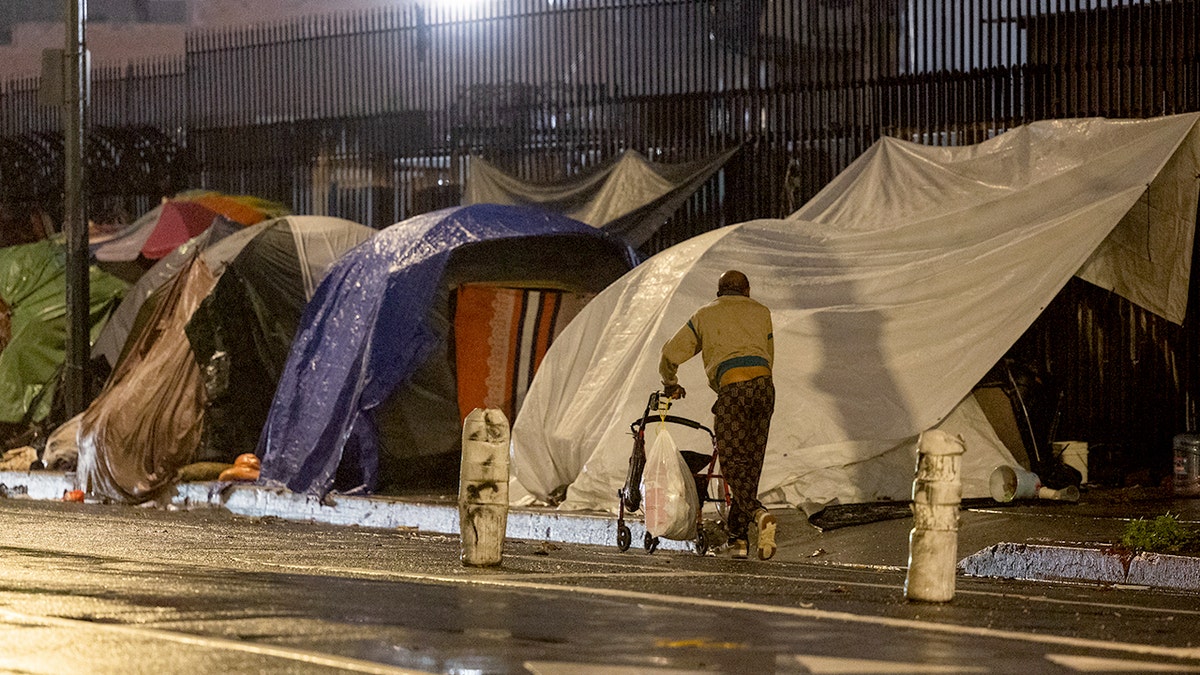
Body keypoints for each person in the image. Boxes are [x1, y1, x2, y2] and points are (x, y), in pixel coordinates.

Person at [659, 270, 776, 560]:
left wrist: (671, 384)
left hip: (732, 389)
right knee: (751, 465)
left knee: (732, 461)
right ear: (747, 290)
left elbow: (670, 353)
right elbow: (769, 355)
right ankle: (738, 539)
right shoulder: (762, 312)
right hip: (764, 388)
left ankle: (759, 513)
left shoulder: (705, 314)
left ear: (719, 291)